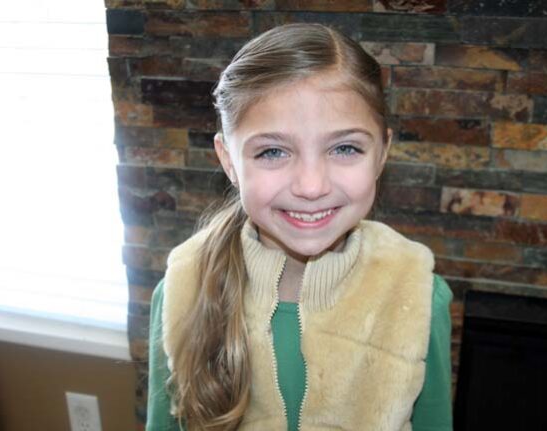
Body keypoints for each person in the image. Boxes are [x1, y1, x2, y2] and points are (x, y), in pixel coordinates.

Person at [145, 23, 453, 431]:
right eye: (272, 151)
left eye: (345, 148)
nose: (311, 187)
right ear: (228, 161)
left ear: (382, 154)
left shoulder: (417, 296)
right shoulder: (182, 290)